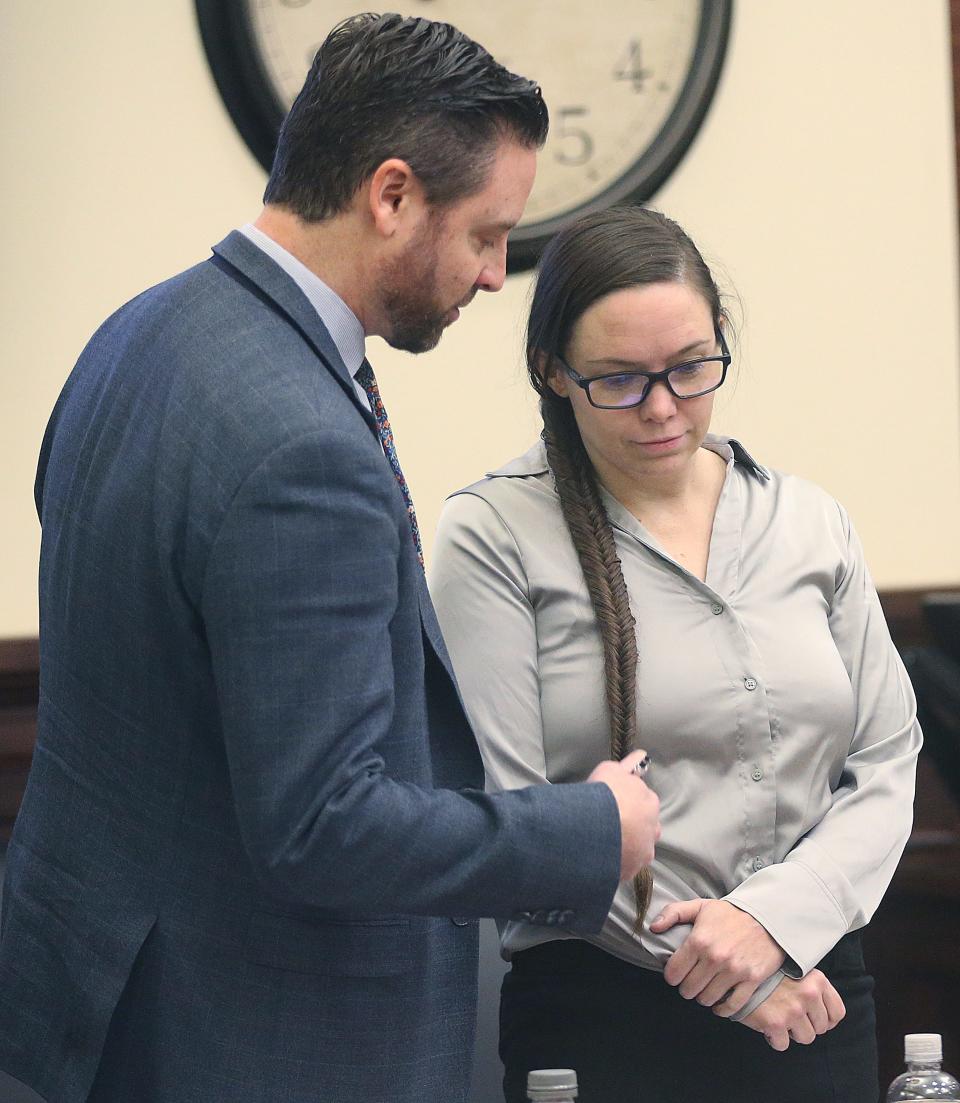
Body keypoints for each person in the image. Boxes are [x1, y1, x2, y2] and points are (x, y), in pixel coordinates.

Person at [0, 17, 661, 1103]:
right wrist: (590, 827)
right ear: (391, 194)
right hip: (255, 1033)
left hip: (94, 994)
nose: (498, 276)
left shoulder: (136, 334)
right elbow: (325, 823)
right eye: (488, 235)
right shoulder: (304, 445)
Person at [430, 206, 922, 1103]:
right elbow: (511, 812)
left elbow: (887, 759)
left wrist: (774, 924)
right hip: (603, 1010)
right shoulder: (494, 536)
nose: (662, 407)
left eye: (691, 369)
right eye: (619, 380)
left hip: (810, 992)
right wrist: (723, 967)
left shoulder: (808, 522)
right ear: (553, 371)